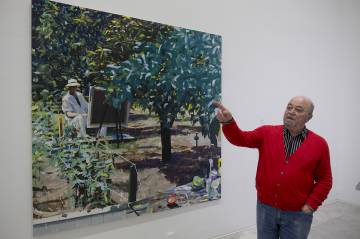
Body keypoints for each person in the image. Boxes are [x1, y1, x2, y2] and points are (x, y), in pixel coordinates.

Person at [214, 96, 332, 239]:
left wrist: (311, 205)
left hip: (297, 213)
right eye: (289, 107)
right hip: (266, 209)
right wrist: (228, 122)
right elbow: (241, 138)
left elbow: (325, 179)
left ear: (309, 117)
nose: (291, 111)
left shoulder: (319, 144)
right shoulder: (267, 133)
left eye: (298, 109)